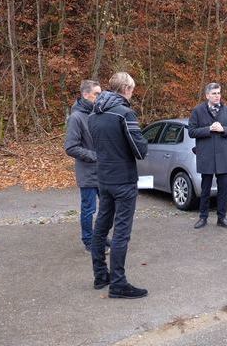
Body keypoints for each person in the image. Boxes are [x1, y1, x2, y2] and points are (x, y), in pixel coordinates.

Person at [87, 72, 148, 299]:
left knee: (101, 227)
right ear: (125, 89)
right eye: (132, 89)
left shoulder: (93, 114)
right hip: (123, 180)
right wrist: (144, 141)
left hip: (103, 179)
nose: (133, 93)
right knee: (121, 232)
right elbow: (139, 149)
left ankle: (100, 275)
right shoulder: (124, 114)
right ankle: (119, 283)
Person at [65, 79, 110, 252]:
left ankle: (101, 237)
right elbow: (71, 147)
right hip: (87, 173)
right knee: (89, 209)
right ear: (86, 94)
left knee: (106, 208)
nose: (99, 97)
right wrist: (95, 156)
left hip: (103, 172)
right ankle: (88, 241)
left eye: (100, 93)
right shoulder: (76, 117)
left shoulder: (97, 113)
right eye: (96, 94)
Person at [188, 82, 227, 230]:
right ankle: (203, 217)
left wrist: (223, 129)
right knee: (205, 189)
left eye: (219, 93)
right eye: (214, 93)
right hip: (206, 155)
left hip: (222, 155)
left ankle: (222, 218)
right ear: (207, 95)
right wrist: (209, 129)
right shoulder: (198, 110)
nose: (217, 96)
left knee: (223, 189)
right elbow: (191, 132)